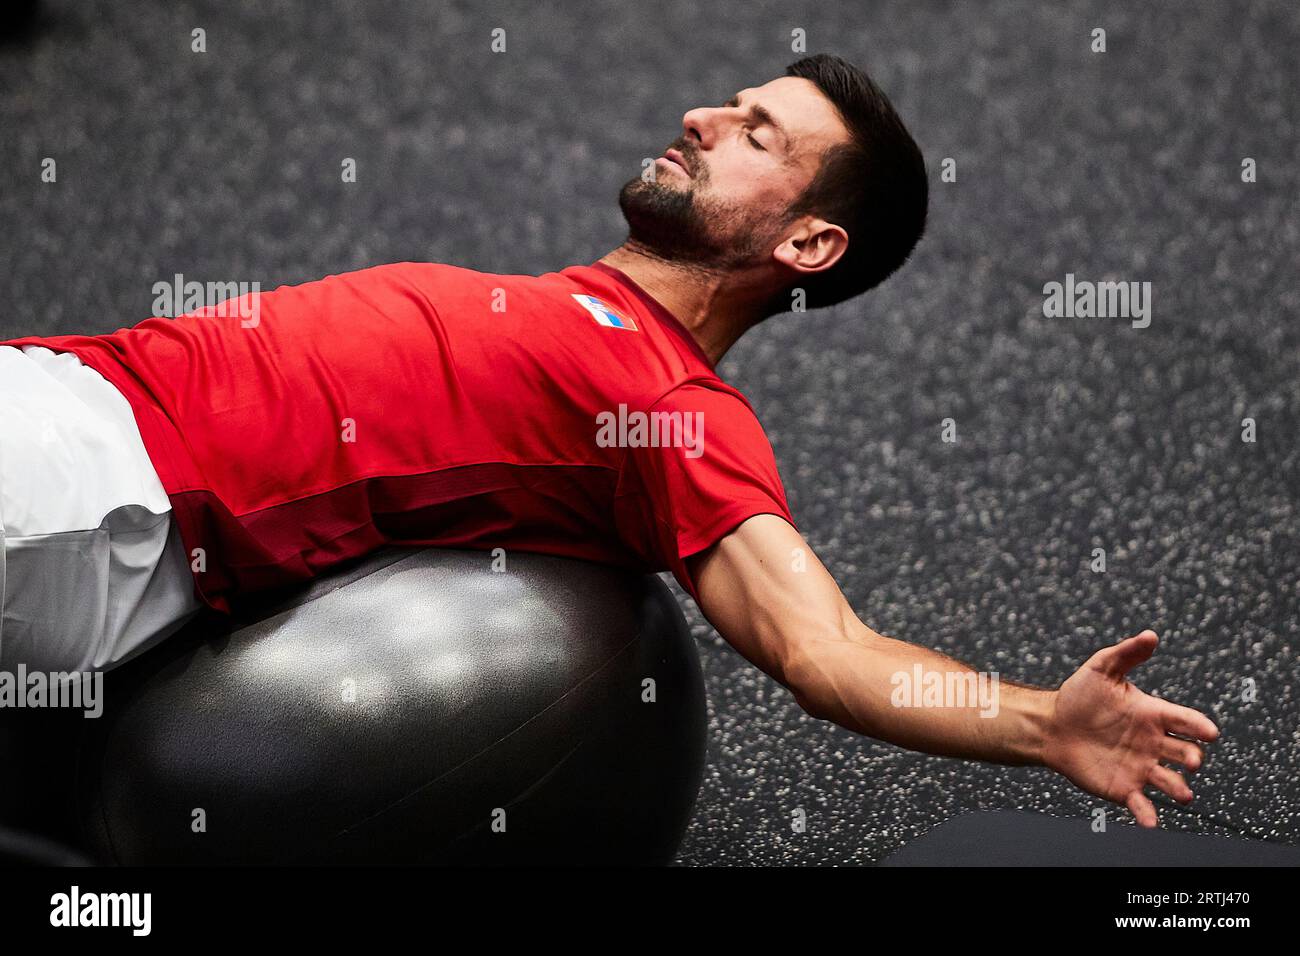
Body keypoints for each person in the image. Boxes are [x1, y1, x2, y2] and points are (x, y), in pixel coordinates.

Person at [0, 54, 1216, 828]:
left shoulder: (675, 407)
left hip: (101, 487)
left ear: (805, 244)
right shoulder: (579, 307)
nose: (699, 115)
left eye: (753, 133)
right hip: (63, 391)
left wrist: (1036, 721)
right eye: (730, 103)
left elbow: (826, 649)